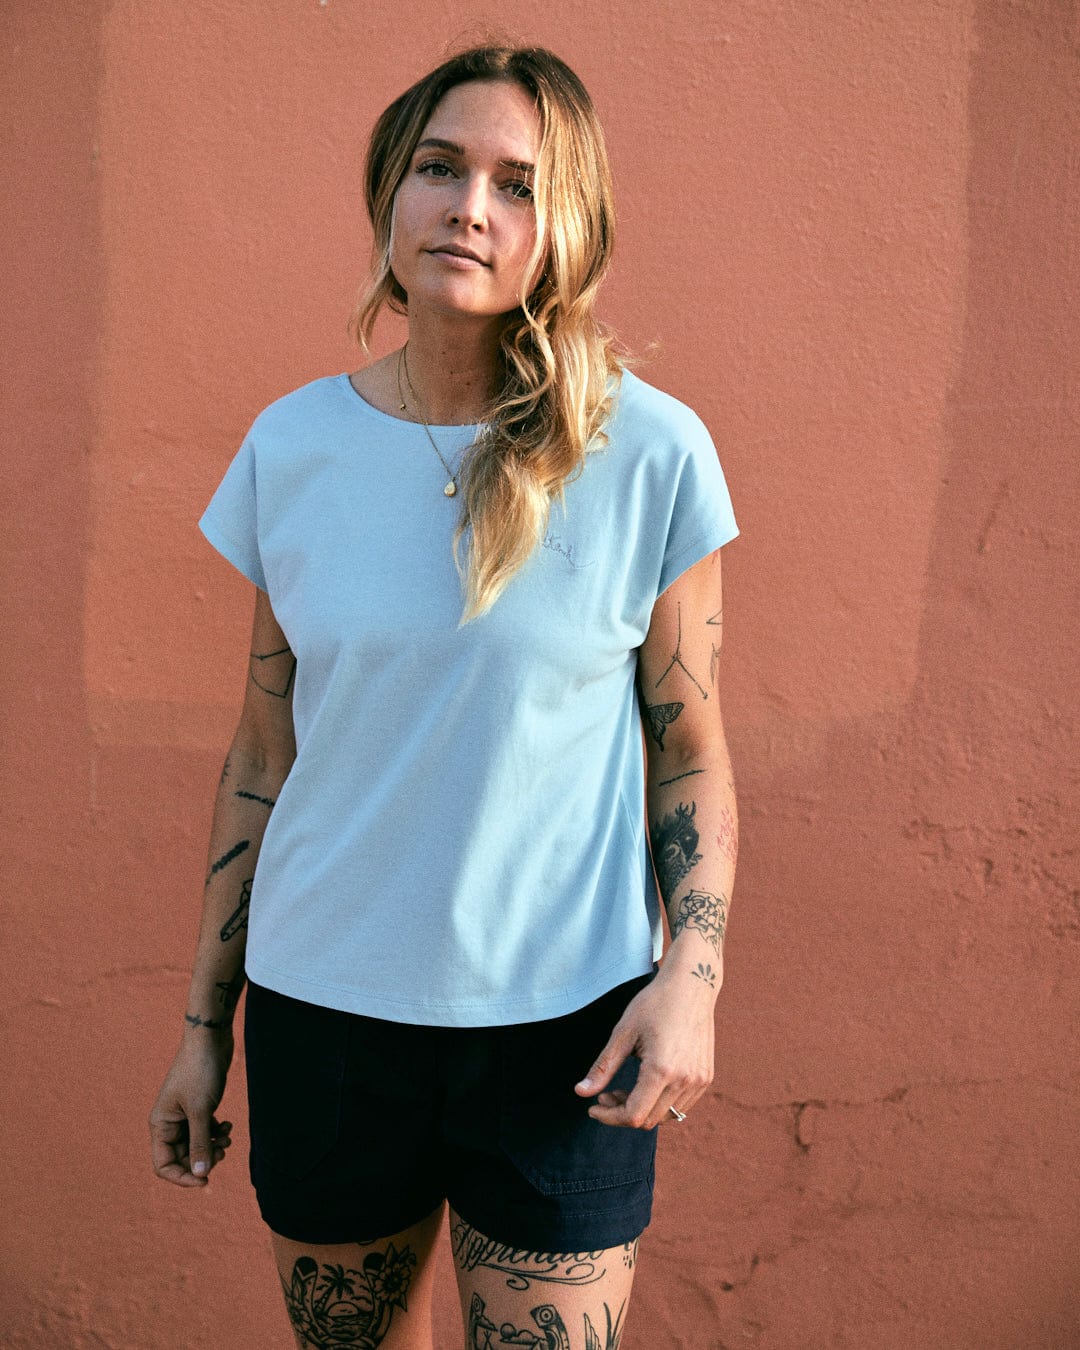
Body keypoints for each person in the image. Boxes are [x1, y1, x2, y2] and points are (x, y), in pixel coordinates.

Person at [149, 42, 739, 1350]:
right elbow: (262, 752)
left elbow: (689, 746)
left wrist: (690, 977)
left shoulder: (648, 453)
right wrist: (205, 1026)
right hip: (324, 1018)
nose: (470, 206)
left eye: (517, 184)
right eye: (438, 167)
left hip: (567, 1034)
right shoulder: (293, 447)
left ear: (567, 226)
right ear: (390, 197)